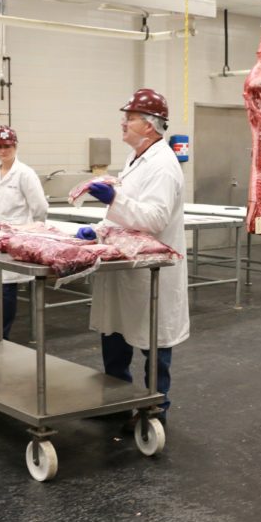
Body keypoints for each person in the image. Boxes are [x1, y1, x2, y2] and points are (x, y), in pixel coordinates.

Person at [78, 88, 189, 427]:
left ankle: (156, 410)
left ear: (151, 125)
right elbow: (125, 210)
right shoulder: (136, 158)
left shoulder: (164, 165)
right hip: (127, 267)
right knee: (115, 337)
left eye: (130, 118)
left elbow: (154, 218)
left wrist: (114, 200)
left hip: (151, 272)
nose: (123, 123)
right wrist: (98, 229)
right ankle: (117, 404)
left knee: (153, 344)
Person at [0, 125, 48, 341]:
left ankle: (1, 337)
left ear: (15, 146)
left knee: (6, 290)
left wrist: (31, 233)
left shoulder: (25, 174)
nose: (3, 151)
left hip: (14, 239)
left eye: (7, 146)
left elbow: (40, 208)